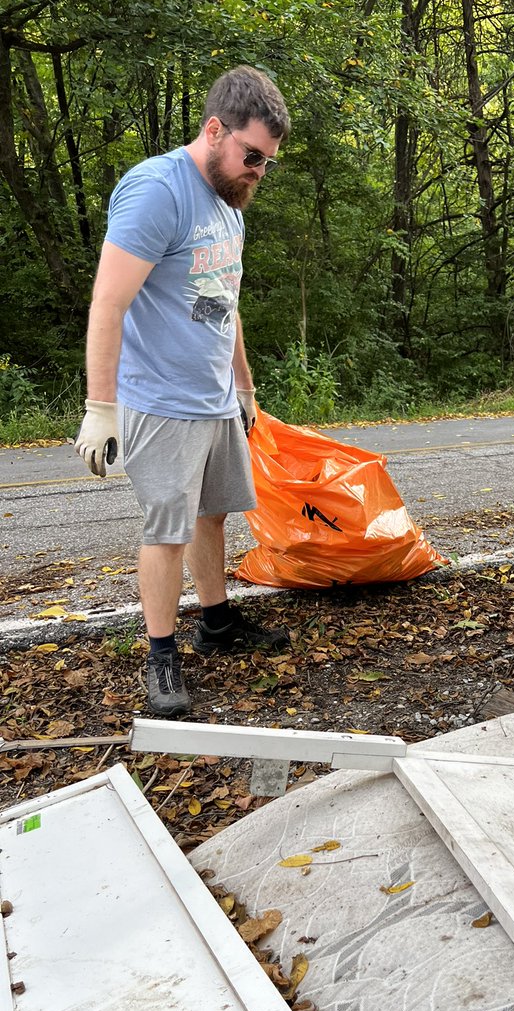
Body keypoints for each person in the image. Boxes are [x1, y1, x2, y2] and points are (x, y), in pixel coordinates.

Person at [75, 66, 291, 717]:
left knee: (212, 514)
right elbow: (108, 304)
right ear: (213, 130)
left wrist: (245, 388)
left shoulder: (230, 204)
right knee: (166, 530)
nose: (257, 170)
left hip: (214, 398)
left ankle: (217, 621)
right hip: (161, 402)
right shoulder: (156, 191)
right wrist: (100, 408)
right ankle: (162, 656)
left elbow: (225, 302)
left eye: (267, 163)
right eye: (251, 155)